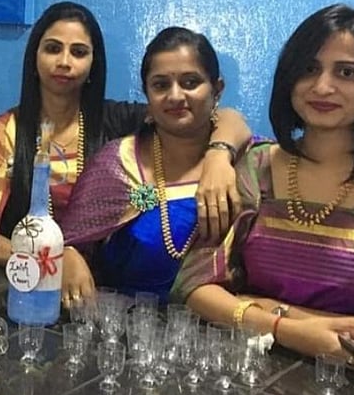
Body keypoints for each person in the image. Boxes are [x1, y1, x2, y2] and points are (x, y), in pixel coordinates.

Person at [173, 4, 354, 368]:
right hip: (250, 380)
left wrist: (277, 313)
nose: (323, 87)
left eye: (346, 72)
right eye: (309, 69)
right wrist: (288, 331)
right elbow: (194, 287)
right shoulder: (256, 165)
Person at [0, 1, 250, 266]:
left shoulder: (119, 121)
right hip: (19, 278)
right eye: (52, 49)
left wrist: (219, 156)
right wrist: (48, 262)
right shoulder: (1, 133)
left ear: (94, 63)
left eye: (79, 52)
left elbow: (224, 117)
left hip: (102, 288)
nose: (64, 62)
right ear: (34, 56)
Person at [58, 27, 232, 305]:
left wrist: (221, 154)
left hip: (224, 333)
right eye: (161, 85)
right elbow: (70, 240)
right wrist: (68, 253)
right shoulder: (117, 164)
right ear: (147, 95)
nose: (175, 96)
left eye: (190, 82)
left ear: (217, 89)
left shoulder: (244, 162)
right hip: (127, 332)